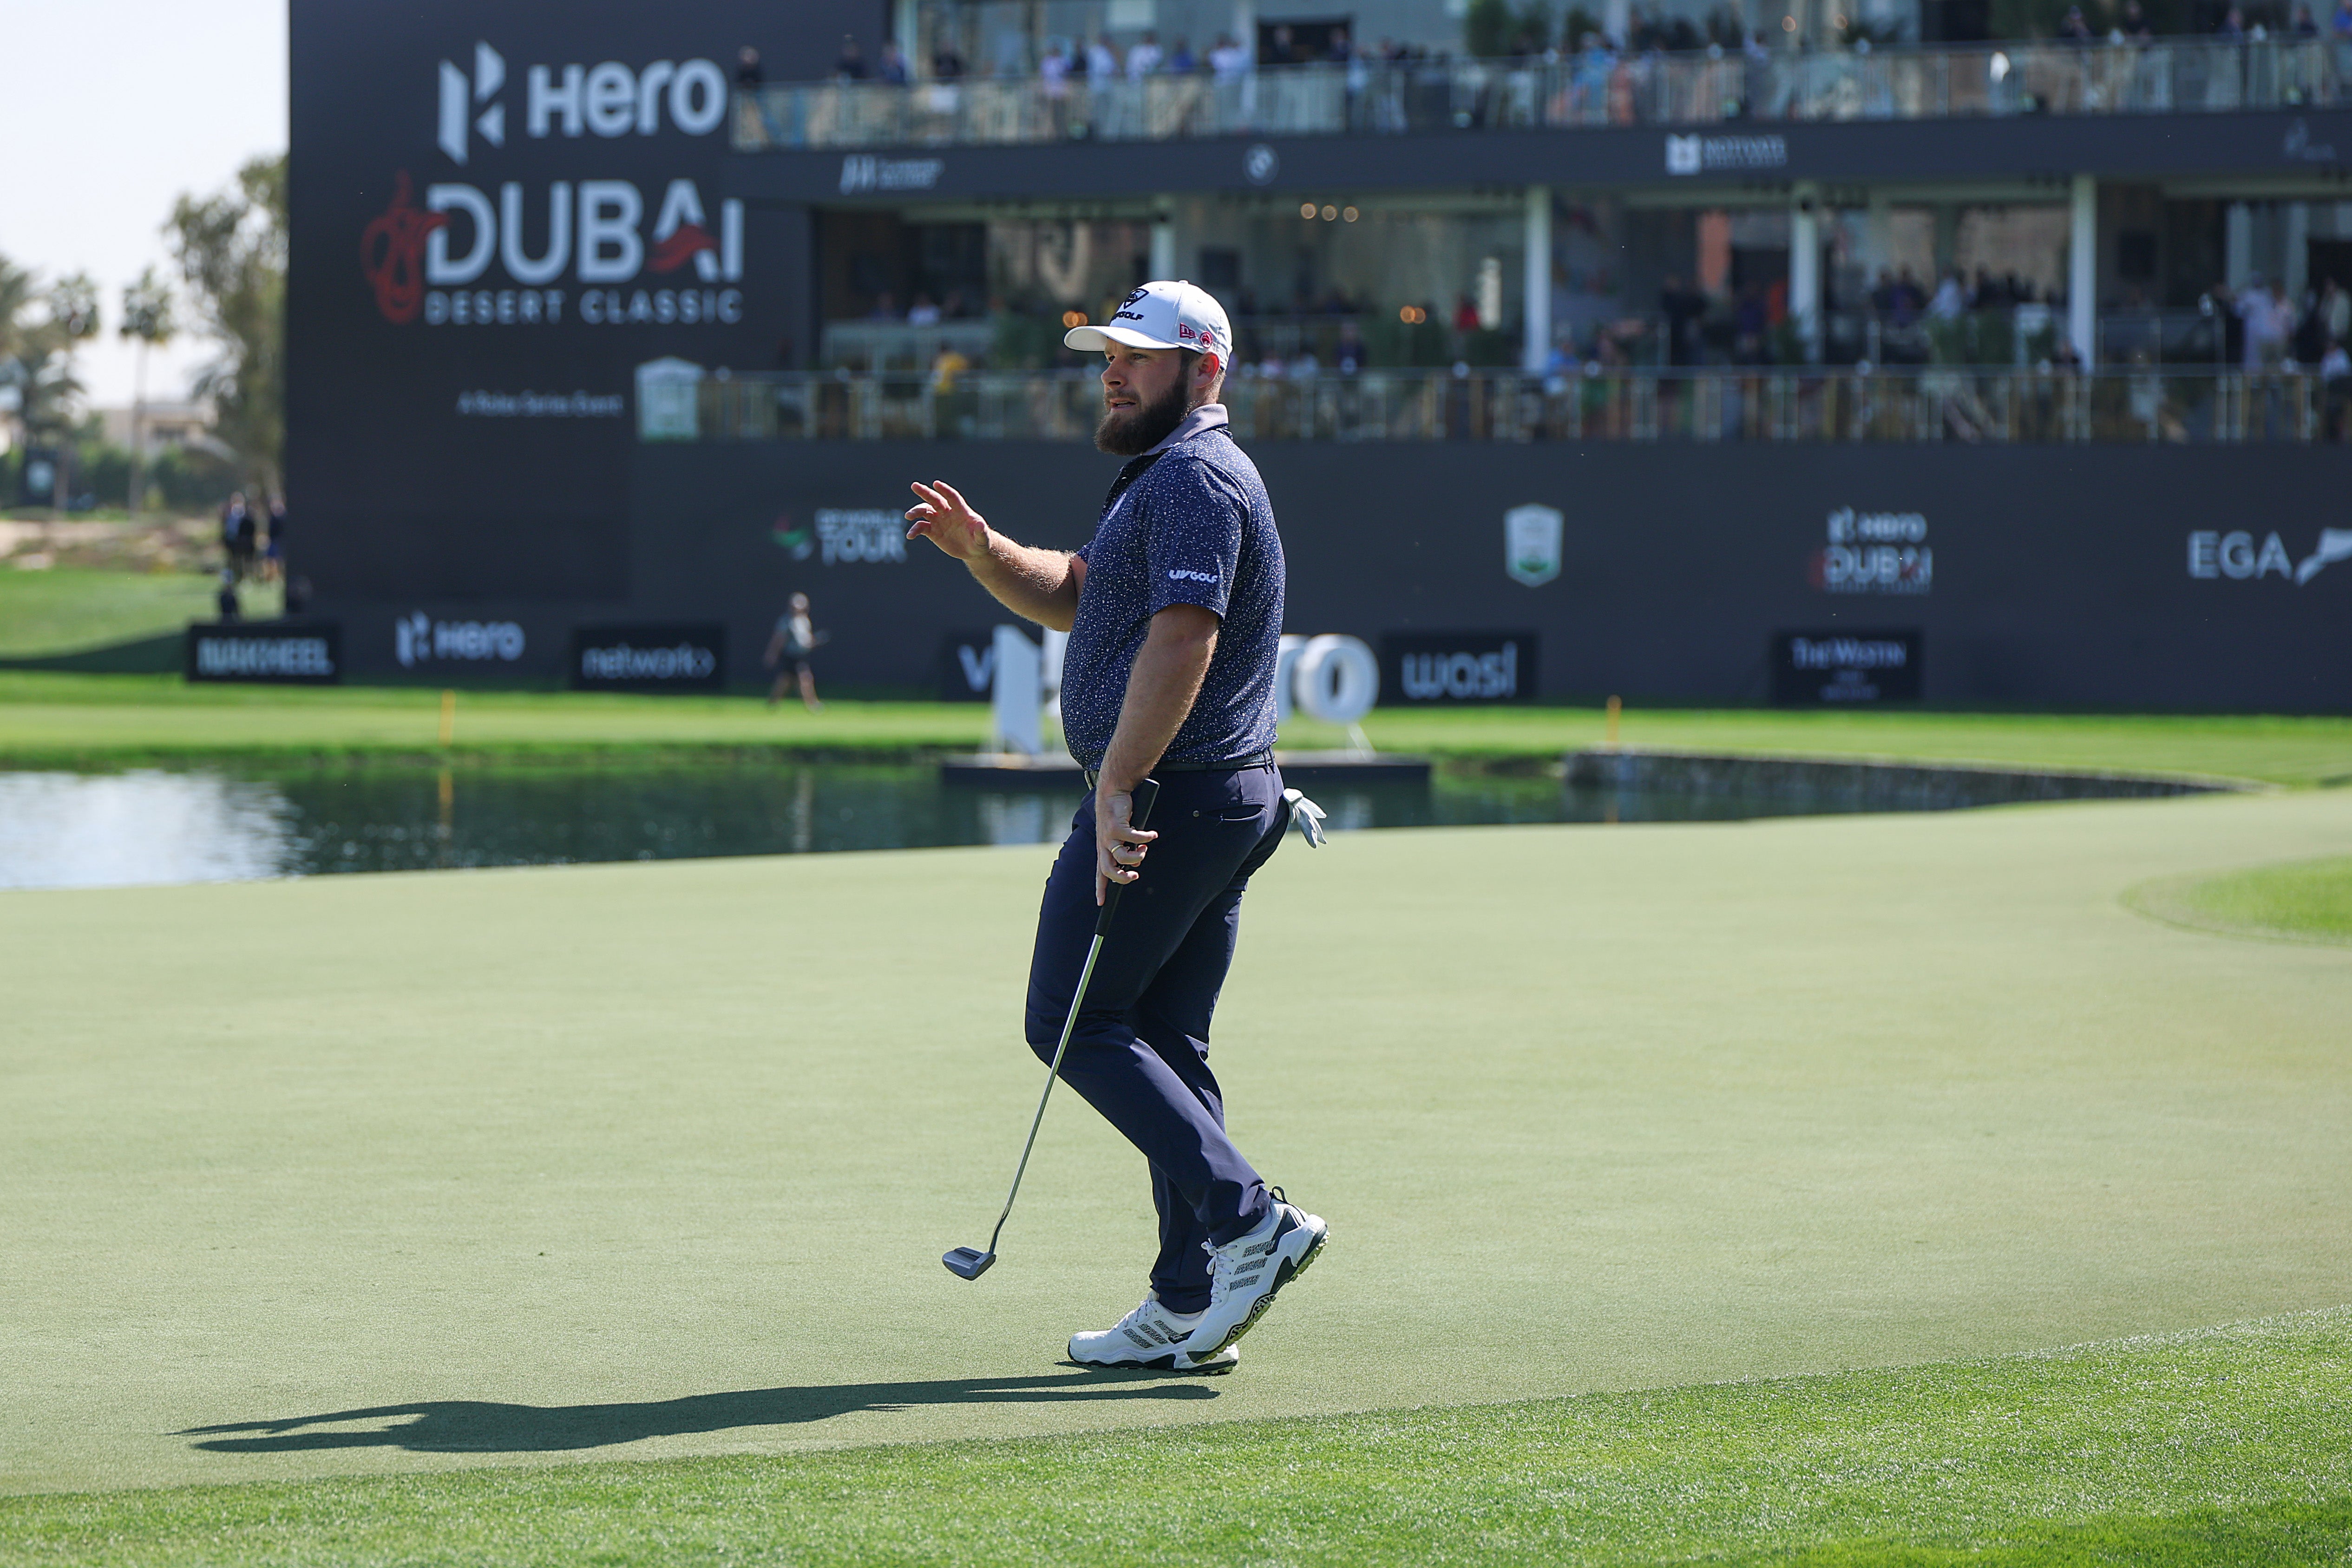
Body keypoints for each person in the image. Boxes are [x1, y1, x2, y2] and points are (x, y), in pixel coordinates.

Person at [903, 280, 1327, 1374]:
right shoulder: (1160, 479)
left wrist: (1114, 783)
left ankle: (1246, 1223)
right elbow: (1085, 596)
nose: (1113, 368)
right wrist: (986, 552)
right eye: (1108, 352)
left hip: (1170, 796)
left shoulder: (1193, 474)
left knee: (1074, 1024)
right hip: (1215, 795)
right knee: (1164, 1042)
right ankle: (1190, 1297)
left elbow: (1182, 641)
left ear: (1205, 372)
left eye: (1138, 354)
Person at [764, 592, 825, 711]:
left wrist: (812, 642)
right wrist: (772, 654)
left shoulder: (804, 621)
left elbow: (805, 639)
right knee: (805, 679)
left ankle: (772, 702)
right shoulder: (786, 621)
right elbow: (778, 639)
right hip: (791, 655)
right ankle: (812, 704)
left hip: (801, 655)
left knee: (786, 681)